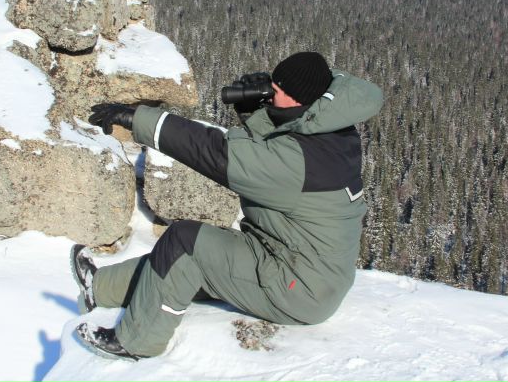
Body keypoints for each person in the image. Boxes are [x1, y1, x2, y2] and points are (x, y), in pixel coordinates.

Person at [71, 51, 383, 360]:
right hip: (302, 266)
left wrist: (137, 118)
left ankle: (137, 342)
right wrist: (254, 114)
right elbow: (277, 145)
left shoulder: (298, 162)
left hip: (297, 289)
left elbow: (218, 153)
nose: (270, 96)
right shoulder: (331, 129)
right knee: (204, 256)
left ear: (297, 99)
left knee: (185, 242)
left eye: (276, 92)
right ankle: (98, 288)